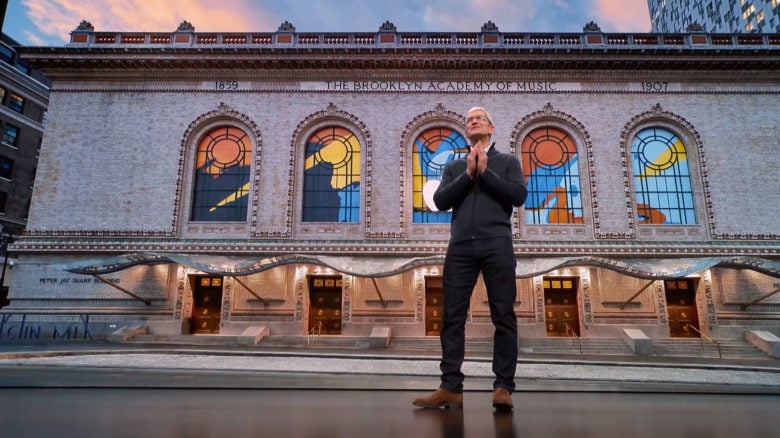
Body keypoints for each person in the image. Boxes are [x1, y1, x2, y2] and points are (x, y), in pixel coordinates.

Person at [413, 107, 527, 411]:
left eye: (479, 118)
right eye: (469, 120)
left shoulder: (507, 162)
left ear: (491, 127)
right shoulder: (454, 166)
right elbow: (439, 201)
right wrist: (468, 174)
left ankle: (503, 386)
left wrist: (485, 172)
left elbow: (518, 196)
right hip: (461, 246)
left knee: (503, 315)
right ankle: (450, 387)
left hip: (497, 244)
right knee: (451, 317)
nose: (472, 121)